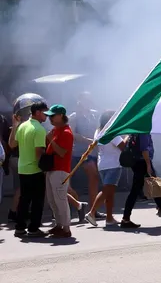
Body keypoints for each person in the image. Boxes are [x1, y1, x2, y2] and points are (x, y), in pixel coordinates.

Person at [121, 133, 161, 228]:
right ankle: (126, 219)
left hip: (138, 162)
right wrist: (148, 165)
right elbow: (144, 149)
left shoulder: (136, 130)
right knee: (147, 189)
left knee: (151, 189)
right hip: (143, 163)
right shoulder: (143, 131)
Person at [9, 102, 49, 238]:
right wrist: (44, 170)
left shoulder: (23, 126)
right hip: (35, 169)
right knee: (38, 201)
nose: (47, 116)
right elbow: (39, 152)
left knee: (24, 199)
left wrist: (14, 126)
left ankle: (20, 227)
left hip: (23, 169)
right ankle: (33, 228)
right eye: (45, 113)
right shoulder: (39, 129)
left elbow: (12, 144)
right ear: (37, 112)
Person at [85, 110, 125, 227]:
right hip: (113, 164)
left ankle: (109, 217)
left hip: (102, 164)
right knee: (106, 191)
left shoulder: (98, 131)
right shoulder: (112, 132)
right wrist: (127, 137)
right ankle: (92, 213)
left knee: (110, 193)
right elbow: (122, 146)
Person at [44, 104, 75, 238]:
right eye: (49, 116)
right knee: (52, 199)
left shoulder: (66, 133)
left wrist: (51, 140)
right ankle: (58, 225)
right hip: (52, 169)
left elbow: (62, 152)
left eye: (53, 115)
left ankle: (66, 228)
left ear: (61, 116)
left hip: (61, 170)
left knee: (60, 199)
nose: (49, 118)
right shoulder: (56, 131)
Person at [69, 91, 102, 218]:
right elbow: (73, 134)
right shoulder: (74, 116)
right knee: (69, 180)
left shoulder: (95, 114)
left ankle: (93, 209)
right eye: (85, 99)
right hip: (78, 152)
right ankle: (74, 206)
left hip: (93, 151)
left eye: (89, 99)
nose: (88, 102)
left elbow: (99, 129)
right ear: (80, 101)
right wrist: (89, 140)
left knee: (94, 178)